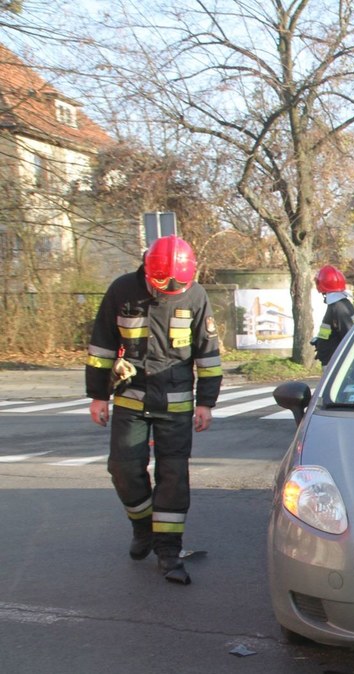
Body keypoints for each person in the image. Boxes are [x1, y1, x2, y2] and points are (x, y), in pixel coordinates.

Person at [85, 235, 222, 585]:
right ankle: (143, 527)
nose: (172, 287)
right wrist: (98, 395)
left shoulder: (196, 295)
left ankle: (168, 551)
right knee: (123, 468)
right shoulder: (122, 290)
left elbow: (207, 354)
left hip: (176, 403)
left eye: (180, 282)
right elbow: (102, 345)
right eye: (165, 282)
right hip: (131, 397)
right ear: (148, 269)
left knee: (173, 478)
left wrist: (206, 402)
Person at [313, 265, 354, 367]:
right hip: (331, 358)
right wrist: (320, 341)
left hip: (335, 361)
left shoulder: (338, 307)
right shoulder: (336, 305)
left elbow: (347, 335)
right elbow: (329, 329)